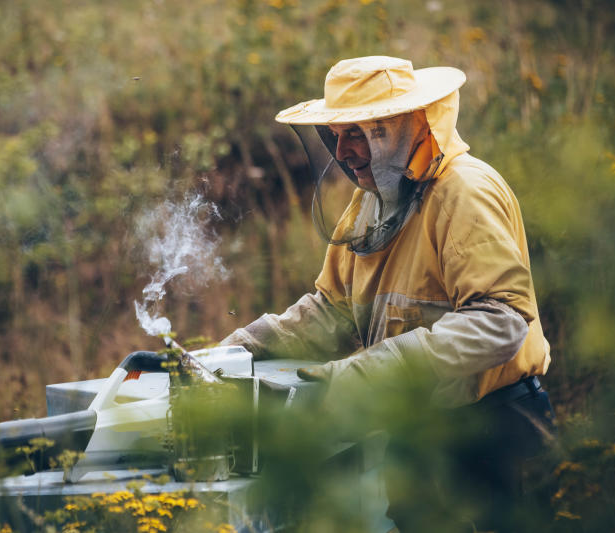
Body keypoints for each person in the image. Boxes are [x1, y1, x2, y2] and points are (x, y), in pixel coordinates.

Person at [220, 56, 556, 532]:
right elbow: (332, 308)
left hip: (492, 431)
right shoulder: (374, 196)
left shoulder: (464, 192)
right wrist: (236, 349)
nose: (344, 151)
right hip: (415, 434)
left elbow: (500, 321)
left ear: (401, 127)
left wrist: (375, 368)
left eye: (357, 133)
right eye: (335, 136)